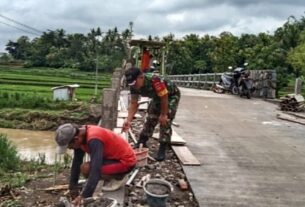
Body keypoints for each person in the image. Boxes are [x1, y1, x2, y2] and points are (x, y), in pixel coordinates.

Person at [55, 123, 136, 206]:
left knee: (86, 168)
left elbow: (95, 171)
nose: (70, 148)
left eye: (70, 146)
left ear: (76, 139)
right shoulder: (80, 136)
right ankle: (108, 177)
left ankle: (118, 177)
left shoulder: (94, 139)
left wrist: (83, 197)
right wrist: (72, 186)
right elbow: (77, 162)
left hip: (125, 162)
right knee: (86, 168)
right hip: (112, 158)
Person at [122, 67, 180, 161]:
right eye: (131, 84)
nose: (133, 86)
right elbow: (133, 103)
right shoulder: (134, 85)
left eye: (134, 83)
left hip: (170, 96)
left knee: (165, 120)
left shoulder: (155, 80)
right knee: (151, 118)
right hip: (157, 97)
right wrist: (128, 120)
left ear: (141, 77)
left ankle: (163, 147)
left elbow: (164, 97)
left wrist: (164, 114)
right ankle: (142, 140)